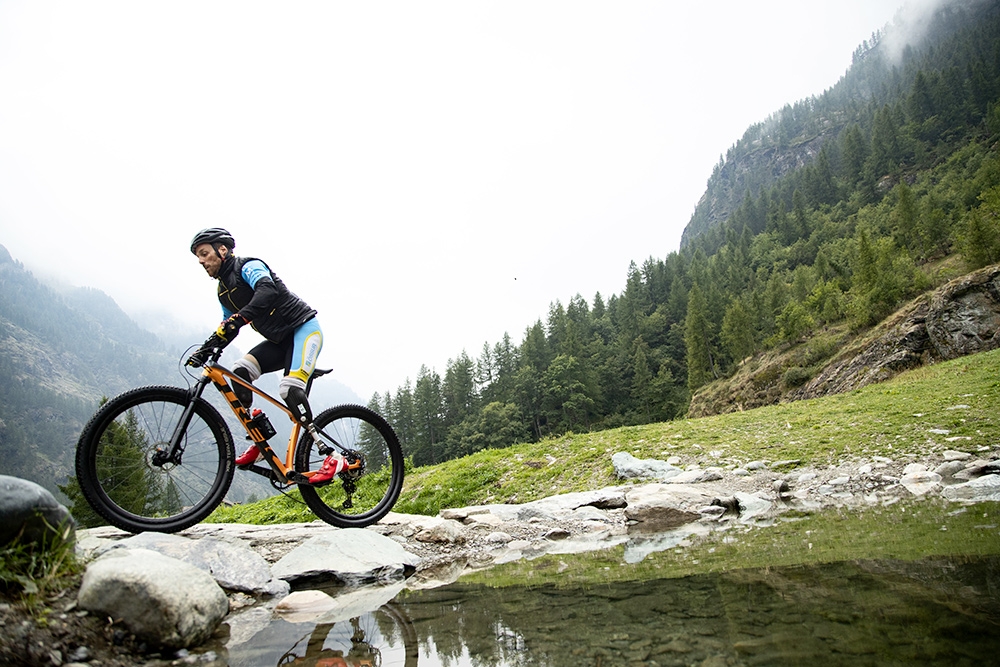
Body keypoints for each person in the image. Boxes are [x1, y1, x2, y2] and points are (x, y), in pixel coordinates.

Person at [189, 228, 345, 484]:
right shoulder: (224, 291)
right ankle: (259, 442)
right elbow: (228, 325)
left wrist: (238, 319)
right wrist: (207, 347)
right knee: (239, 372)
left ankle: (331, 455)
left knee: (289, 389)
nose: (202, 261)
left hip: (303, 330)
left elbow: (267, 291)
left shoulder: (247, 266)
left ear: (223, 250)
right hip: (279, 342)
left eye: (205, 254)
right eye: (198, 258)